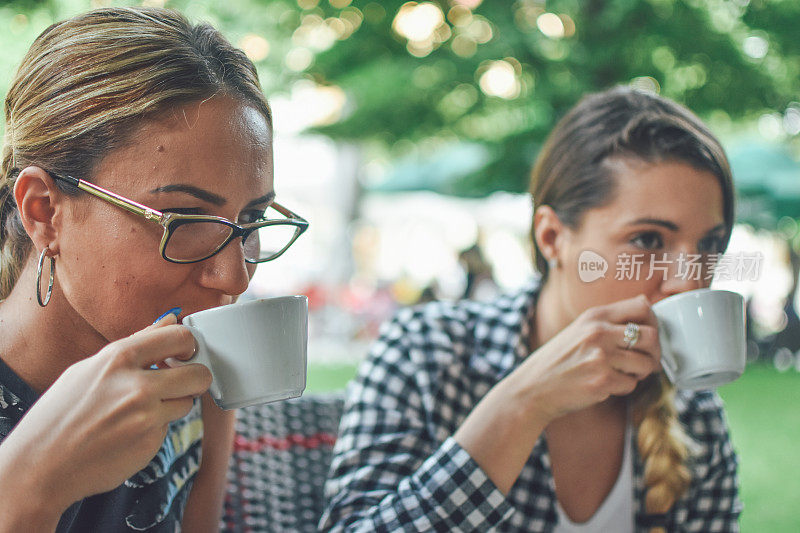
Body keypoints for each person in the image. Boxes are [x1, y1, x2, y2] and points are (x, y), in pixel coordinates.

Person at [321, 87, 742, 532]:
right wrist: (524, 403)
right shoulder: (426, 353)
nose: (689, 279)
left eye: (709, 245)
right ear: (552, 237)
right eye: (649, 240)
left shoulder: (693, 413)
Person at [0, 7, 307, 531]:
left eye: (251, 219)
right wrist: (29, 485)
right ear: (44, 211)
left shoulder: (199, 384)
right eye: (185, 219)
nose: (235, 279)